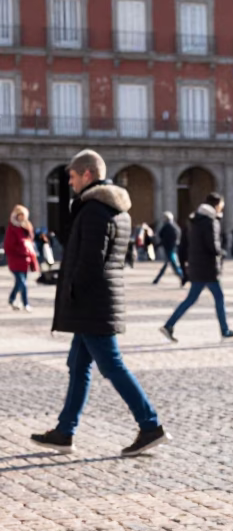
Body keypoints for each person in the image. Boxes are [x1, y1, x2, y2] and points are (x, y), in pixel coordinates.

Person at [31, 149, 167, 457]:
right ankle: (65, 432)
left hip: (92, 305)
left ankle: (150, 425)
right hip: (97, 302)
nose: (70, 182)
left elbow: (91, 260)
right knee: (78, 366)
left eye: (73, 176)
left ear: (88, 174)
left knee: (111, 365)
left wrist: (72, 292)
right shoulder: (114, 209)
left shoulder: (93, 210)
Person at [160, 193, 233, 343]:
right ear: (216, 205)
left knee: (192, 299)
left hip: (196, 266)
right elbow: (213, 246)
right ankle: (224, 330)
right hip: (209, 268)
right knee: (218, 297)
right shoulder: (211, 222)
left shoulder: (194, 220)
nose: (221, 208)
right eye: (221, 205)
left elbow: (185, 245)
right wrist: (221, 252)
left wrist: (185, 268)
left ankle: (169, 325)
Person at [6, 205, 39, 311]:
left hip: (25, 260)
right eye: (20, 215)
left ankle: (14, 300)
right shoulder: (12, 229)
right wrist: (22, 251)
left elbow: (30, 241)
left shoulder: (25, 227)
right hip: (16, 260)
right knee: (22, 282)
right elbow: (9, 246)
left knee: (20, 282)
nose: (22, 218)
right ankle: (24, 303)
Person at [152, 212, 184, 285]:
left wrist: (159, 244)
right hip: (172, 247)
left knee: (173, 264)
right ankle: (157, 279)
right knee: (169, 264)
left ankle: (182, 277)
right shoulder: (174, 226)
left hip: (170, 248)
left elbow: (161, 235)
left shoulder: (168, 226)